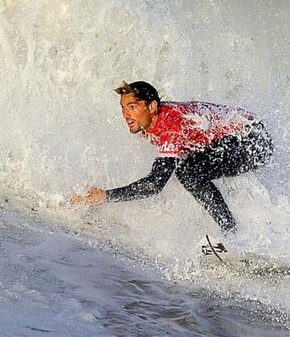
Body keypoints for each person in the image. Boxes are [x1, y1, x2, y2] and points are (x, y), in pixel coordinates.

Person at [70, 80, 273, 235]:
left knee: (188, 171)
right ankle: (245, 230)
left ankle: (231, 233)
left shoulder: (171, 125)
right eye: (123, 108)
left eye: (132, 107)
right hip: (238, 138)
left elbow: (155, 185)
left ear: (151, 107)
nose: (126, 114)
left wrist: (106, 196)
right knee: (189, 169)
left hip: (253, 139)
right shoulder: (148, 124)